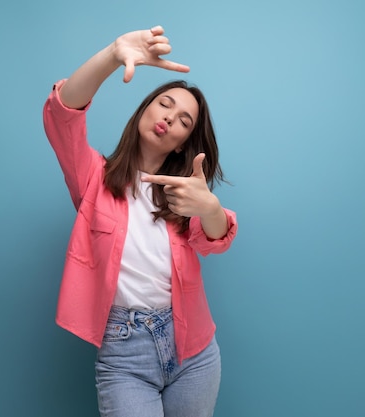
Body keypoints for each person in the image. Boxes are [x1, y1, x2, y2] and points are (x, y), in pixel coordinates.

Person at [42, 25, 238, 417]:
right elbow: (62, 114)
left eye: (185, 120)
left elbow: (215, 239)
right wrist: (114, 54)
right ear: (146, 107)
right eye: (165, 103)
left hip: (194, 352)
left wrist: (210, 208)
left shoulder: (184, 196)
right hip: (124, 353)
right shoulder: (93, 178)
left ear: (183, 142)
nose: (171, 118)